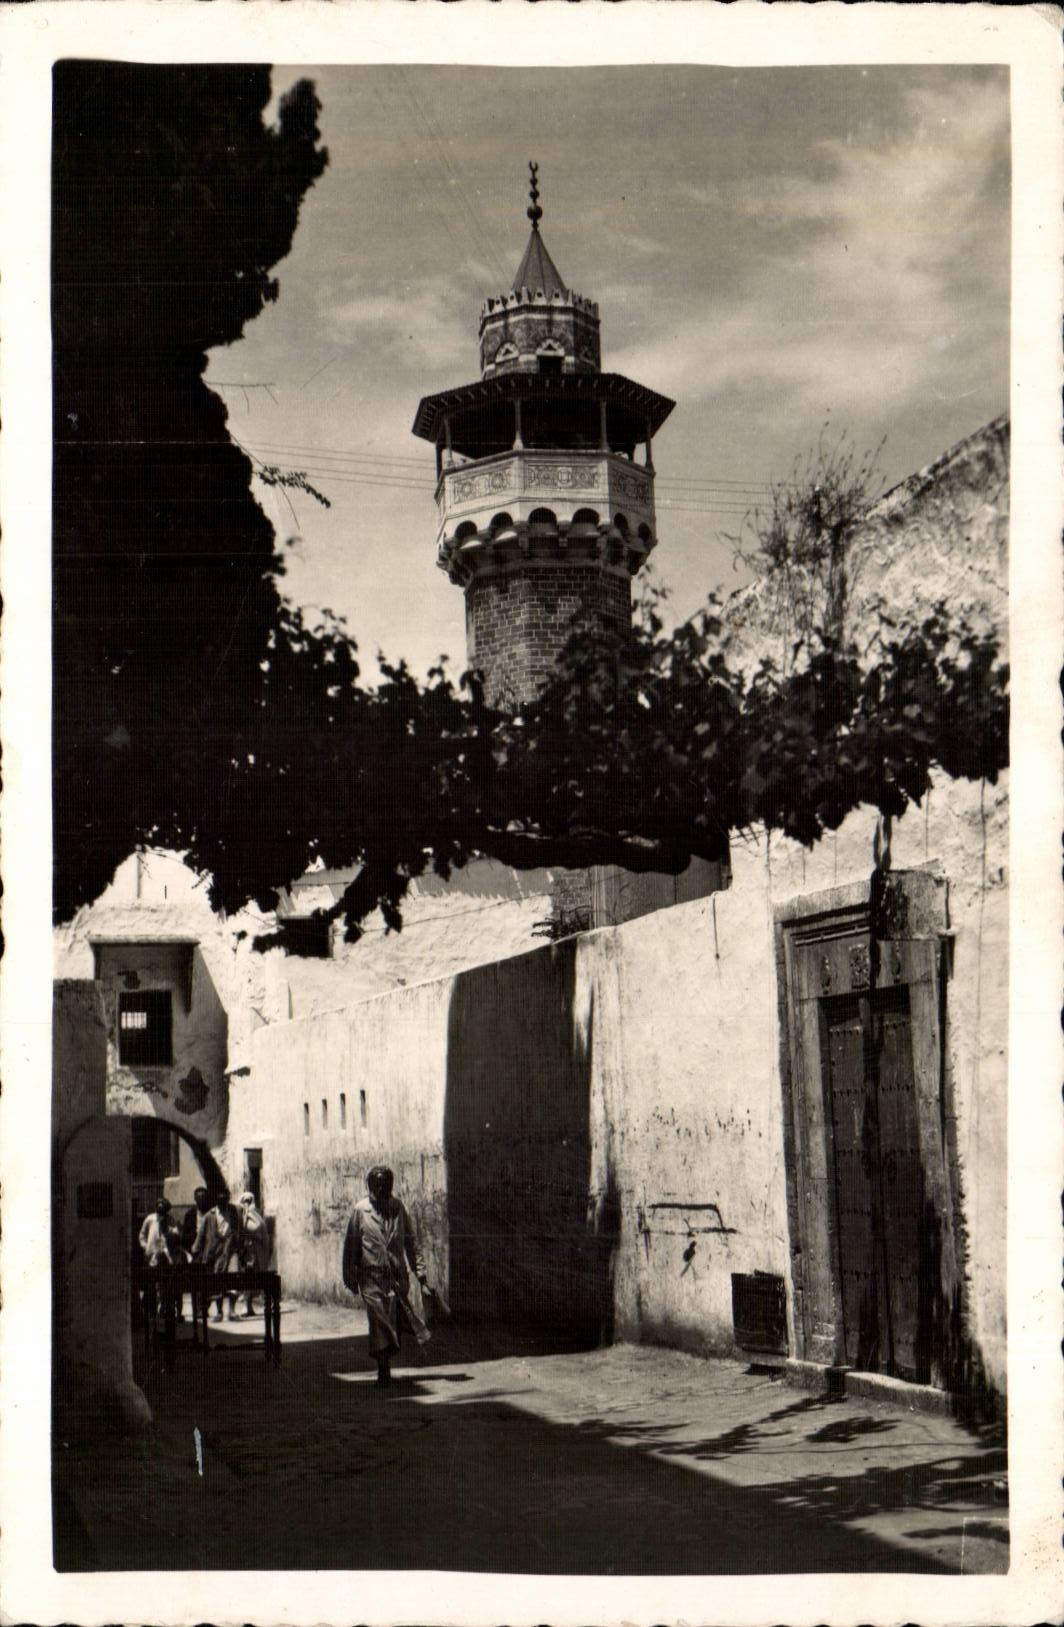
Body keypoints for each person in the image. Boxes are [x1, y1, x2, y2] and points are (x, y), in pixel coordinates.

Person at [341, 1166, 431, 1386]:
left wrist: (421, 1275)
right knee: (379, 1322)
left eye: (386, 1184)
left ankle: (386, 1358)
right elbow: (351, 1245)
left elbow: (411, 1242)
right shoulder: (360, 1211)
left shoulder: (398, 1208)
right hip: (370, 1278)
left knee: (392, 1322)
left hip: (396, 1278)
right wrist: (349, 1276)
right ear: (370, 1186)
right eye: (378, 1184)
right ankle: (384, 1368)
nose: (382, 1189)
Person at [192, 1189, 240, 1322]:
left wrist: (236, 1245)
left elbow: (237, 1230)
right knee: (217, 1281)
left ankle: (231, 1310)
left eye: (225, 1199)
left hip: (230, 1251)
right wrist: (195, 1250)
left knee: (233, 1277)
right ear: (217, 1202)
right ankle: (219, 1312)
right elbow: (201, 1235)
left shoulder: (233, 1212)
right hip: (214, 1253)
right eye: (220, 1200)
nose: (223, 1202)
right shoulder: (209, 1215)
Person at [237, 1190, 270, 1317]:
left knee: (253, 1278)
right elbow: (249, 1229)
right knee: (247, 1278)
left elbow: (257, 1228)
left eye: (249, 1201)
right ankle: (246, 1306)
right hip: (247, 1252)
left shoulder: (254, 1214)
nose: (247, 1203)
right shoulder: (243, 1215)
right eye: (245, 1201)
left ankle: (249, 1306)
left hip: (255, 1252)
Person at [138, 1197, 176, 1267]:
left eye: (163, 1211)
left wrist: (168, 1230)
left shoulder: (170, 1220)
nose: (160, 1214)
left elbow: (175, 1233)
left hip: (165, 1253)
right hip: (151, 1252)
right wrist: (146, 1246)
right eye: (159, 1211)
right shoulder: (150, 1219)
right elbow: (142, 1235)